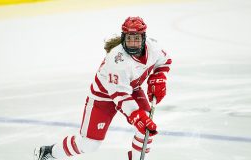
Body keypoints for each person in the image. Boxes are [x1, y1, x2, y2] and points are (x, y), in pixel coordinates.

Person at [34, 16, 172, 160]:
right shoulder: (117, 59)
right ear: (123, 37)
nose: (132, 43)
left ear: (144, 38)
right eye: (129, 38)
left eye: (136, 38)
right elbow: (120, 94)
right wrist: (136, 115)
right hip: (103, 97)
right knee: (89, 144)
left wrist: (159, 76)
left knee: (145, 127)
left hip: (131, 90)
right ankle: (49, 152)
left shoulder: (153, 48)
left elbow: (165, 60)